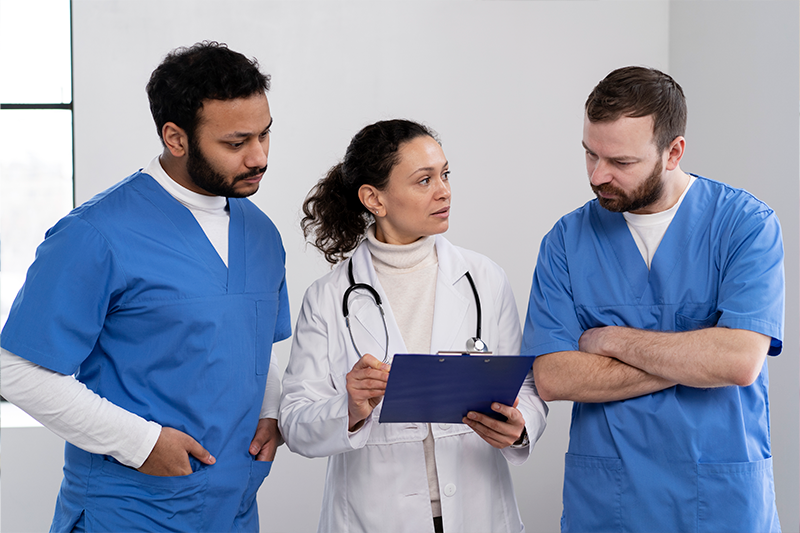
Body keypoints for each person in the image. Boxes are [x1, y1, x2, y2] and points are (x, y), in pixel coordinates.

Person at [0, 41, 290, 532]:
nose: (258, 157)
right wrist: (141, 443)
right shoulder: (95, 234)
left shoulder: (261, 233)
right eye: (236, 144)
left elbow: (253, 343)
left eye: (264, 135)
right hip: (130, 510)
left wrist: (270, 408)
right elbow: (17, 369)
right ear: (175, 138)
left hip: (233, 509)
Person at [523, 66, 784, 532]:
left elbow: (740, 362)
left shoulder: (746, 226)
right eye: (589, 154)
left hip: (720, 501)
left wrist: (611, 340)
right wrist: (694, 357)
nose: (598, 175)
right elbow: (553, 375)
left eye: (620, 163)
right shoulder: (565, 241)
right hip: (610, 503)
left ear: (673, 151)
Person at [279, 119, 548, 533]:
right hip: (374, 517)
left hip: (477, 511)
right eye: (424, 180)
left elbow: (526, 388)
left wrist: (520, 427)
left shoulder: (484, 278)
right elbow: (295, 422)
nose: (444, 191)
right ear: (374, 199)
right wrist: (349, 409)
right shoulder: (329, 296)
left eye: (445, 174)